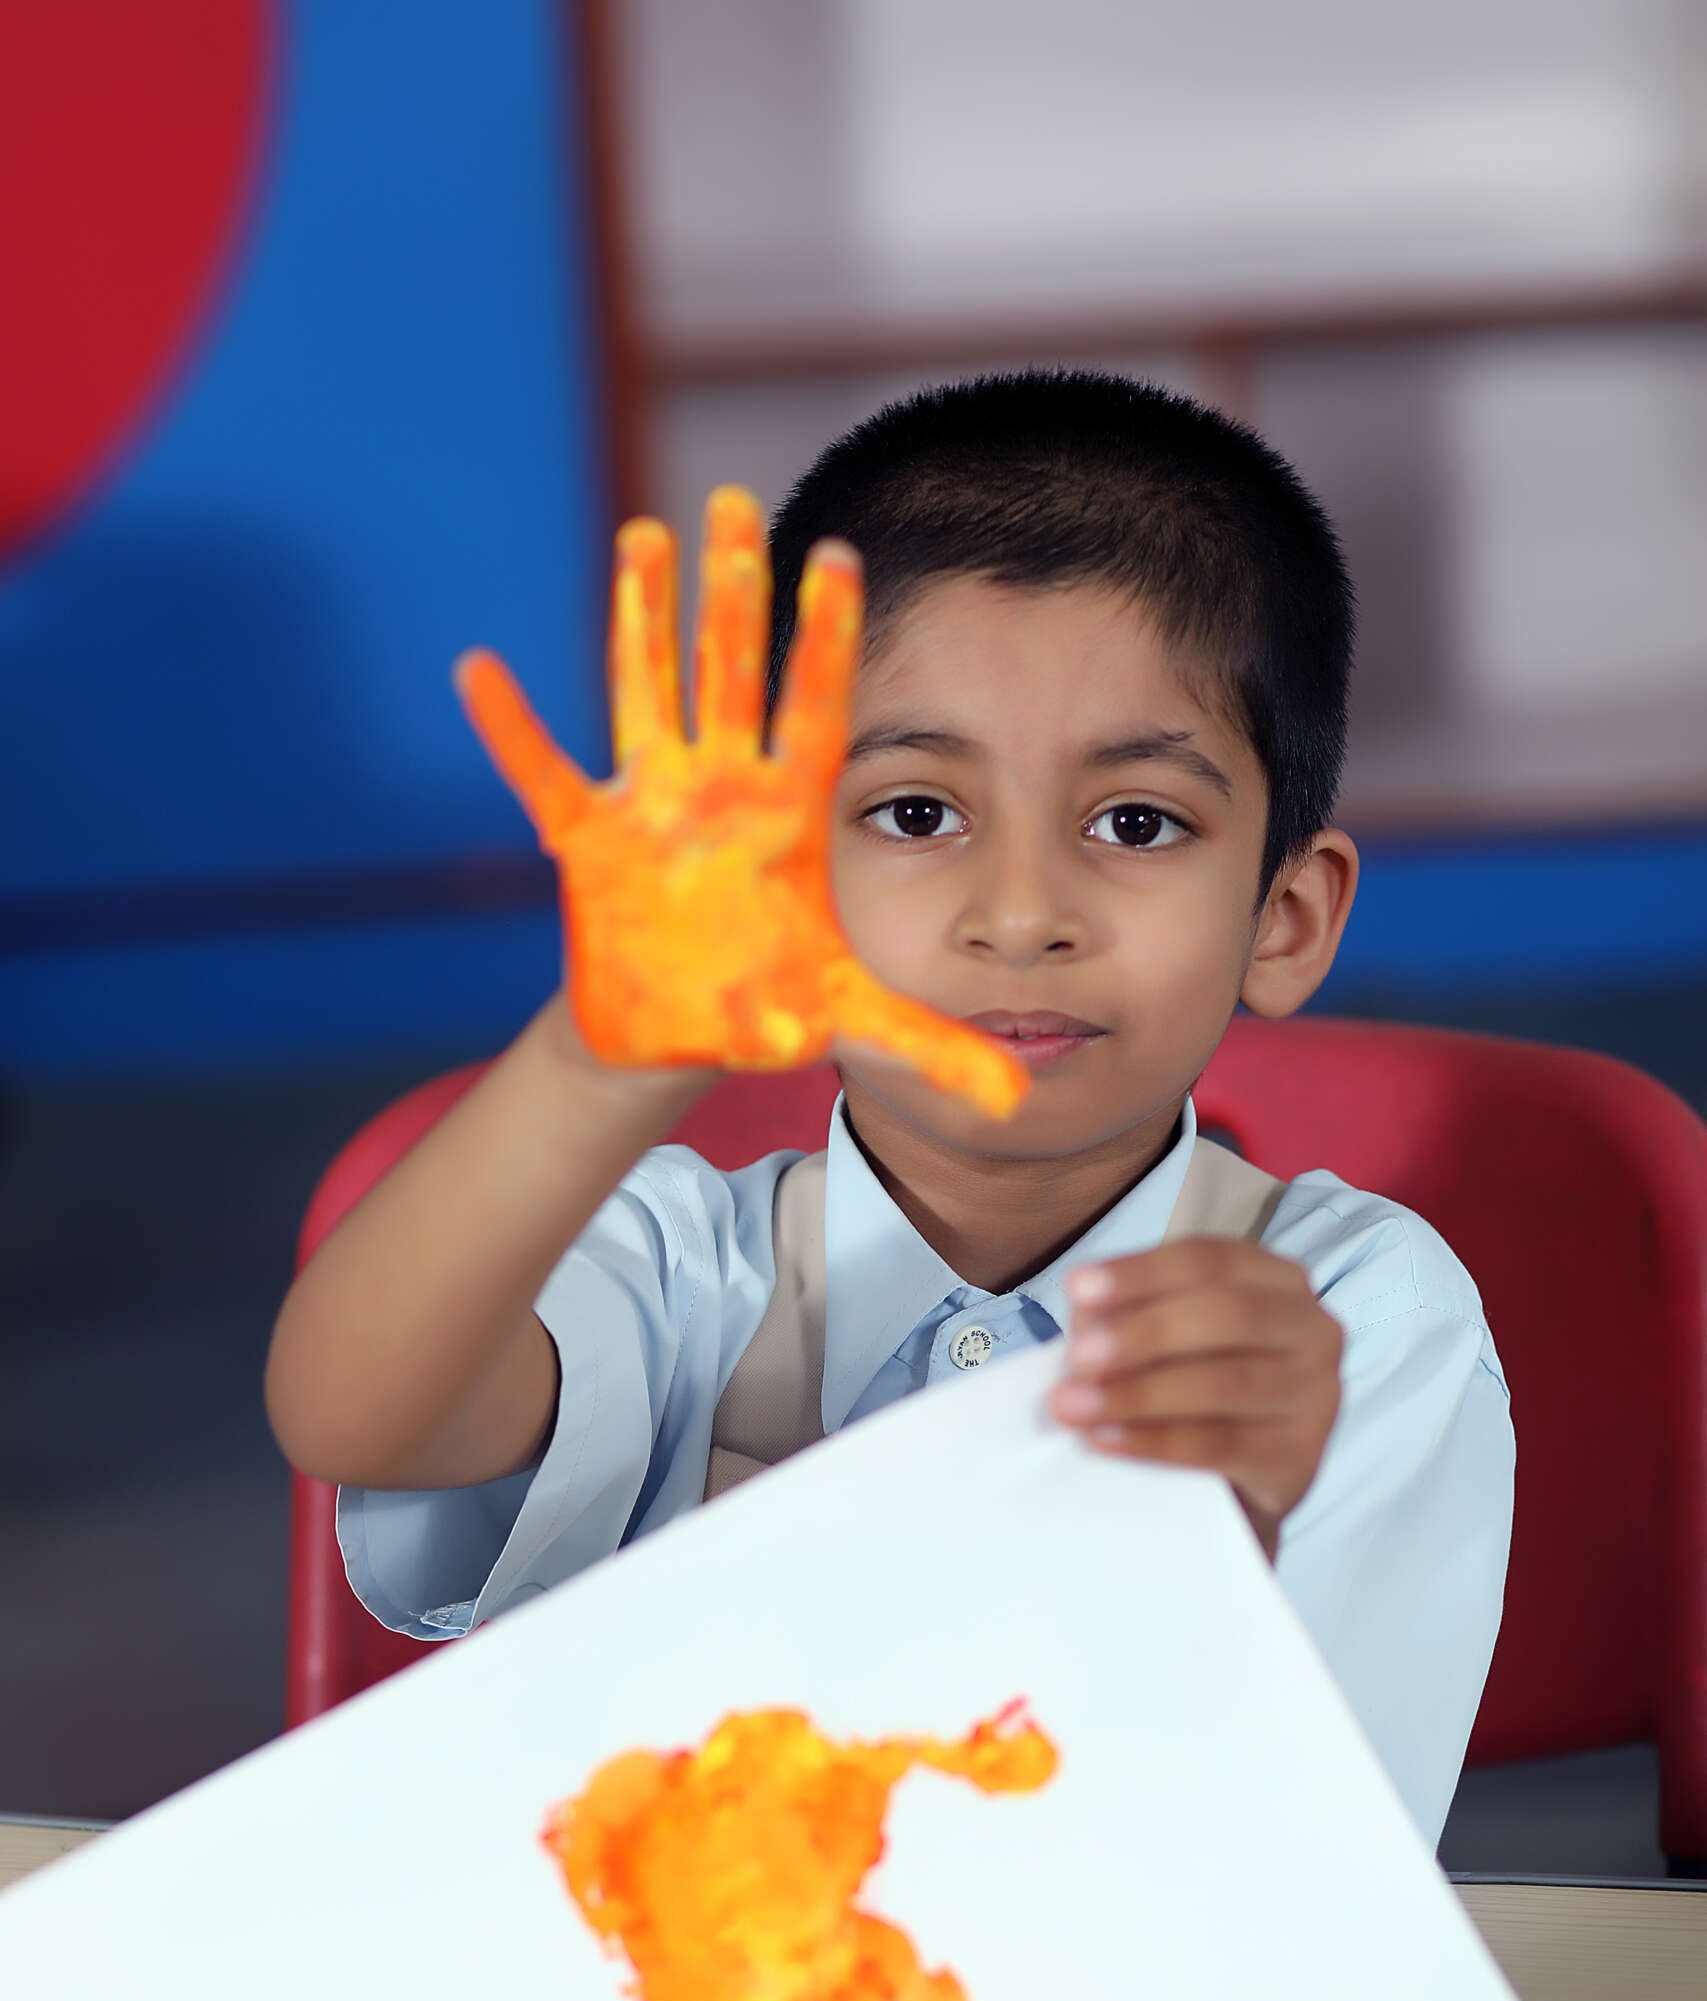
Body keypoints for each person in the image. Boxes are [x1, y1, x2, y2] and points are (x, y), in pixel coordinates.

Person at [265, 369, 1512, 1849]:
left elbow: (1296, 1895)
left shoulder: (1344, 1320)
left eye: (1138, 823)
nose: (1022, 911)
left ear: (1287, 917)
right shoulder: (674, 1268)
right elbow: (352, 1411)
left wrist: (1234, 1526)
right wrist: (604, 1057)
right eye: (917, 812)